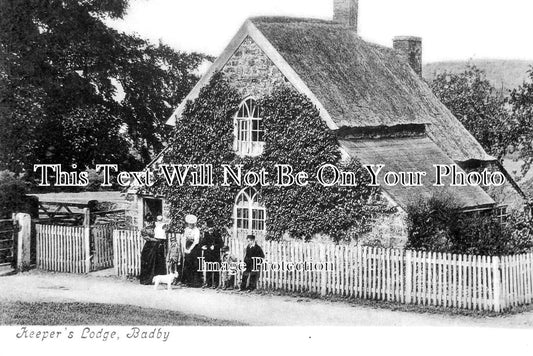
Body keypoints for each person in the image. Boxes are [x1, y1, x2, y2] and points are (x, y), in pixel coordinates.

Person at [139, 216, 167, 285]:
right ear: (145, 222)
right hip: (149, 247)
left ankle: (157, 279)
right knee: (148, 262)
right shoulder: (143, 230)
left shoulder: (155, 227)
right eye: (147, 221)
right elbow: (147, 238)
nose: (148, 223)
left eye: (150, 221)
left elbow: (163, 228)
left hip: (157, 247)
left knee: (157, 261)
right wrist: (156, 240)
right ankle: (147, 279)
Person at [201, 218, 224, 288]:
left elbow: (221, 244)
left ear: (213, 228)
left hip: (215, 254)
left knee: (215, 269)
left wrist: (215, 246)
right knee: (208, 269)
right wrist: (202, 246)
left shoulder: (217, 234)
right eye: (208, 228)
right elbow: (203, 243)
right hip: (208, 254)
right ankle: (209, 283)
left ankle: (215, 284)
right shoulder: (206, 234)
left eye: (211, 228)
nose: (210, 230)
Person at [181, 214, 201, 287]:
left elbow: (196, 241)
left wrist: (190, 249)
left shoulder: (196, 230)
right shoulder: (186, 229)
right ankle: (187, 281)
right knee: (187, 263)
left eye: (192, 224)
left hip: (194, 247)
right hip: (187, 246)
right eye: (189, 224)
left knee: (194, 264)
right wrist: (185, 248)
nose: (190, 225)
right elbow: (184, 239)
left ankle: (195, 282)